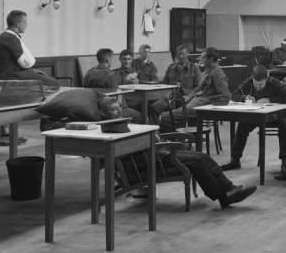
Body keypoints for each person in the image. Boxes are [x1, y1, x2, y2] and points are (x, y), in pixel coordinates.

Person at [98, 96, 255, 209]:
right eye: (113, 109)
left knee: (202, 157)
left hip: (157, 154)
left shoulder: (123, 124)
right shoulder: (111, 129)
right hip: (149, 161)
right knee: (198, 160)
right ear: (104, 114)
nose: (118, 111)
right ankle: (225, 195)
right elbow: (128, 150)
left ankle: (227, 190)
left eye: (119, 107)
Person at [222, 65, 286, 171]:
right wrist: (244, 98)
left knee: (284, 125)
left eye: (261, 84)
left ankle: (285, 161)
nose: (258, 87)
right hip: (257, 116)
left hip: (274, 117)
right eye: (255, 84)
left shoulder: (274, 83)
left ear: (267, 78)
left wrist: (270, 100)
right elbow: (234, 95)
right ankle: (235, 160)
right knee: (242, 125)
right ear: (252, 79)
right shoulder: (249, 82)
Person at [157, 47, 230, 132]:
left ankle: (173, 140)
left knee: (166, 117)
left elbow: (225, 96)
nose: (201, 59)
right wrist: (191, 96)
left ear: (211, 59)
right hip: (194, 101)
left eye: (203, 57)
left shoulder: (217, 72)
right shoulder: (208, 70)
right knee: (170, 113)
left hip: (201, 105)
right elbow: (199, 88)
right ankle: (180, 139)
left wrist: (208, 102)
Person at [0, 10, 59, 91]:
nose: (27, 24)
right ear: (17, 24)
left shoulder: (5, 37)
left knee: (43, 76)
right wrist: (31, 66)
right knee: (54, 84)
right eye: (25, 22)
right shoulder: (10, 38)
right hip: (15, 77)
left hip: (7, 76)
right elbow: (25, 64)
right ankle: (39, 103)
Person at [150, 44, 202, 122]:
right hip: (171, 97)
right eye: (179, 54)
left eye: (183, 54)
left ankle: (177, 130)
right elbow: (164, 83)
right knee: (154, 107)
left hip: (186, 98)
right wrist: (154, 83)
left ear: (187, 54)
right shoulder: (171, 68)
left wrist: (189, 96)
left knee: (177, 112)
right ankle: (157, 131)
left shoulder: (194, 68)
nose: (181, 56)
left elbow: (199, 86)